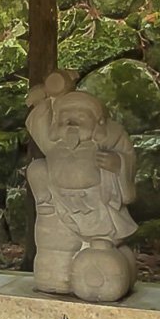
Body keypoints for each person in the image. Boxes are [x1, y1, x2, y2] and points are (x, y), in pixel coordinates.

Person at [26, 83, 136, 301]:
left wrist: (117, 165)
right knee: (38, 169)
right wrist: (43, 100)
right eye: (65, 116)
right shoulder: (54, 144)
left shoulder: (110, 139)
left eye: (81, 116)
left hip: (98, 209)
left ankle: (102, 262)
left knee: (101, 254)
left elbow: (128, 158)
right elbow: (37, 124)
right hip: (59, 209)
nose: (72, 121)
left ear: (97, 123)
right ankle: (58, 276)